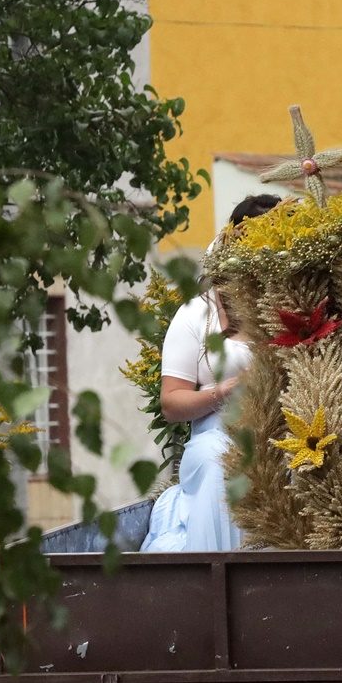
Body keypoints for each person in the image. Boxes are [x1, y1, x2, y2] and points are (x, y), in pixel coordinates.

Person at [142, 193, 281, 552]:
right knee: (229, 467)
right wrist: (227, 389)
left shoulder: (293, 304)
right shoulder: (197, 314)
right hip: (218, 433)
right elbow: (172, 404)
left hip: (287, 434)